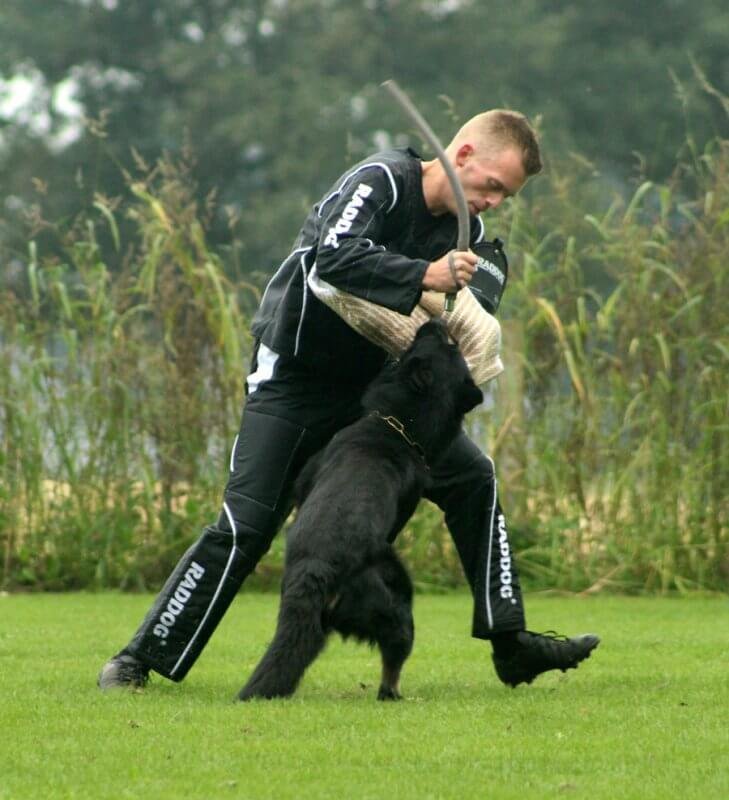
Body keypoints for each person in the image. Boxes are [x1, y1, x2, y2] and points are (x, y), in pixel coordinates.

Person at [99, 109, 599, 691]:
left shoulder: (472, 238)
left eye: (505, 195)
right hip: (295, 380)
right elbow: (332, 258)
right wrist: (425, 274)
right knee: (247, 525)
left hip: (374, 401)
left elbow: (470, 311)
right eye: (492, 186)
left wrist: (473, 308)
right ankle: (138, 659)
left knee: (473, 477)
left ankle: (510, 645)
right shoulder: (380, 182)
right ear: (463, 155)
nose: (493, 202)